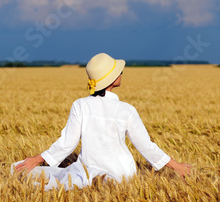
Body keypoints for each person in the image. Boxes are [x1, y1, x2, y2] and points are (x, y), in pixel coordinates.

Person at [11, 53, 191, 190]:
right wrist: (178, 167)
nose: (121, 72)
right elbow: (146, 146)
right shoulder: (127, 110)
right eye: (118, 71)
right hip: (123, 174)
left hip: (87, 173)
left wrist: (36, 159)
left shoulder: (80, 105)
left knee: (23, 172)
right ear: (112, 79)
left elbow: (67, 144)